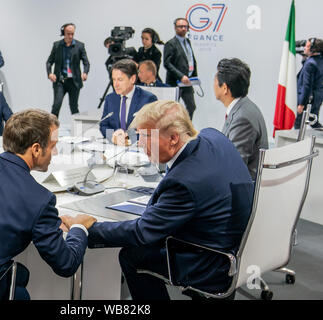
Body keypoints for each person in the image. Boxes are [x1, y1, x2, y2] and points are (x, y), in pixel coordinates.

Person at [67, 100, 254, 300]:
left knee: (132, 255)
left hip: (211, 261)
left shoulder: (184, 183)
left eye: (145, 137)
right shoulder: (213, 136)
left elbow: (142, 233)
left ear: (173, 138)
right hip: (235, 244)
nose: (139, 143)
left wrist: (87, 228)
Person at [0, 108, 97, 299]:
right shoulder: (39, 199)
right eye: (53, 146)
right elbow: (66, 264)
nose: (54, 152)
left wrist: (47, 224)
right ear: (36, 149)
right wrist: (79, 227)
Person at [214, 58, 268, 180]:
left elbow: (233, 167)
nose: (213, 85)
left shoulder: (242, 118)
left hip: (241, 191)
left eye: (215, 81)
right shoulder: (243, 107)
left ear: (224, 88)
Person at [99, 59, 157, 145]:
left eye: (120, 80)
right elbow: (104, 125)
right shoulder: (110, 98)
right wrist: (113, 136)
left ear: (133, 79)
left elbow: (151, 131)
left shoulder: (148, 99)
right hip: (115, 148)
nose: (115, 84)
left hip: (139, 149)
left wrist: (127, 138)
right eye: (114, 79)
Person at [46, 23, 90, 118]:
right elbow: (49, 62)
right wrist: (50, 74)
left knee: (74, 107)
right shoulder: (57, 45)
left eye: (72, 34)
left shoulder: (79, 46)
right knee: (56, 105)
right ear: (63, 33)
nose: (70, 36)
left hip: (74, 82)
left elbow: (86, 62)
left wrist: (85, 72)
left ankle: (77, 129)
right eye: (68, 33)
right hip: (60, 81)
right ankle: (52, 129)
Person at [164, 18, 198, 119]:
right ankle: (171, 129)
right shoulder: (170, 43)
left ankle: (186, 128)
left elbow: (190, 59)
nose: (183, 29)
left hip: (187, 81)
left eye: (185, 27)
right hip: (175, 82)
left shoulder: (187, 41)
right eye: (180, 26)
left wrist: (194, 76)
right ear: (175, 28)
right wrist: (180, 76)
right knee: (171, 108)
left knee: (191, 106)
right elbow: (167, 63)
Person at [294, 38, 323, 130]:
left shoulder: (310, 64)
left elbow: (306, 86)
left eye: (306, 46)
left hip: (307, 99)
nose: (304, 48)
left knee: (298, 124)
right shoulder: (319, 60)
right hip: (317, 97)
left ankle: (298, 143)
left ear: (313, 50)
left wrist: (301, 104)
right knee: (314, 121)